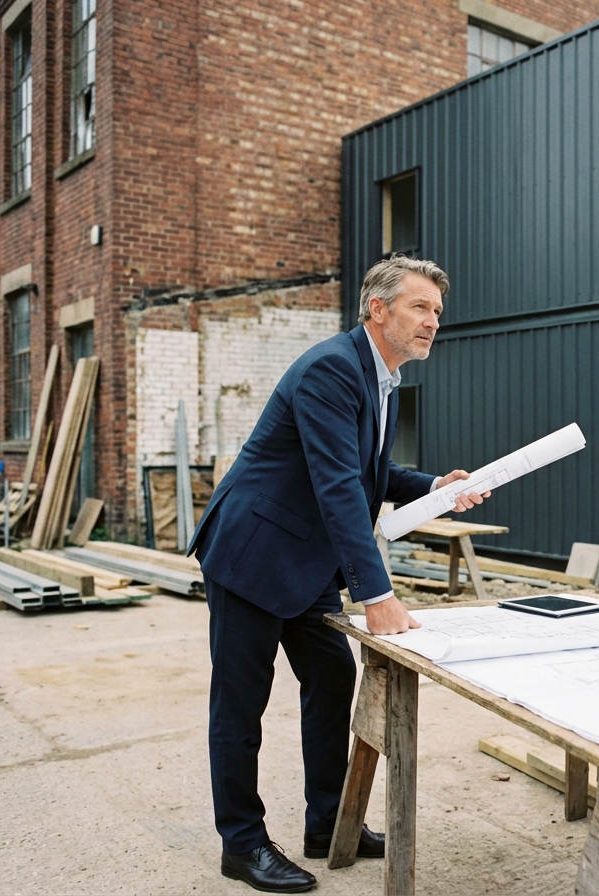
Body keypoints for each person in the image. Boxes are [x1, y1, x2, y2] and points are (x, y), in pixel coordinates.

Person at [189, 256, 487, 893]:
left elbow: (369, 477)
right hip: (253, 551)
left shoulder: (385, 381)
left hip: (306, 559)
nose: (433, 320)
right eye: (419, 307)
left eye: (437, 310)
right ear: (376, 309)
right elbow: (337, 488)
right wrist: (376, 593)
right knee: (240, 702)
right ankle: (241, 844)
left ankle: (329, 823)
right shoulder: (331, 368)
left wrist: (433, 486)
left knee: (331, 675)